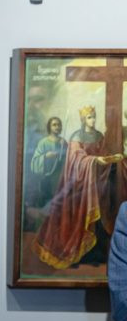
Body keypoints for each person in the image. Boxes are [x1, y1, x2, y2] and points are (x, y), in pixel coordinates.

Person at [33, 105, 124, 269]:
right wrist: (95, 161)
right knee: (79, 219)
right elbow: (76, 160)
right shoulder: (76, 137)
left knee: (97, 221)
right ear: (83, 120)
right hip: (79, 187)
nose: (93, 120)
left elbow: (102, 156)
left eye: (94, 117)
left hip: (95, 185)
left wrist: (111, 159)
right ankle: (78, 255)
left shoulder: (99, 136)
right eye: (89, 117)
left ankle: (94, 253)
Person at [29, 116, 68, 209]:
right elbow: (34, 161)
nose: (57, 127)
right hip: (46, 179)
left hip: (59, 179)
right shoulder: (43, 142)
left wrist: (64, 148)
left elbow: (68, 160)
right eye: (54, 125)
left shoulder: (63, 142)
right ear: (49, 127)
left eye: (59, 125)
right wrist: (46, 156)